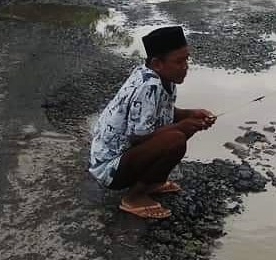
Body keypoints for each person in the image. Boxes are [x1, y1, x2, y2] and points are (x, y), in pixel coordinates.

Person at [89, 26, 216, 219]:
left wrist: (191, 113)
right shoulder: (149, 85)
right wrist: (182, 126)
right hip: (110, 168)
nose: (185, 66)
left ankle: (153, 182)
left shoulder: (165, 78)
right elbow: (138, 138)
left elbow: (163, 113)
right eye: (179, 61)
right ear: (157, 63)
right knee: (175, 139)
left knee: (178, 134)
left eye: (187, 59)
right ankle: (133, 198)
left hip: (127, 157)